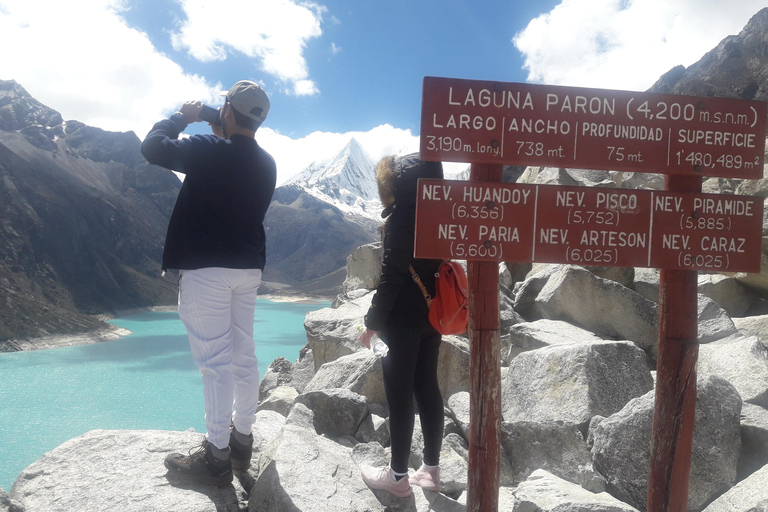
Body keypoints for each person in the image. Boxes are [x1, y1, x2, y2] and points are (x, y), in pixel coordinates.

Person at [140, 80, 277, 486]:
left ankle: (215, 455)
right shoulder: (267, 162)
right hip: (248, 269)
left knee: (215, 363)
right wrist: (221, 121)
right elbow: (234, 151)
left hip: (207, 270)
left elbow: (153, 147)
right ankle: (242, 442)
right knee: (243, 356)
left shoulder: (209, 150)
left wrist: (182, 117)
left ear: (228, 111)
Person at [359, 153, 445, 497]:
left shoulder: (400, 221)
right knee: (427, 387)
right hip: (432, 316)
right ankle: (431, 471)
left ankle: (397, 478)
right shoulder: (438, 216)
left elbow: (391, 275)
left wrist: (372, 323)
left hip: (401, 322)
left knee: (399, 396)